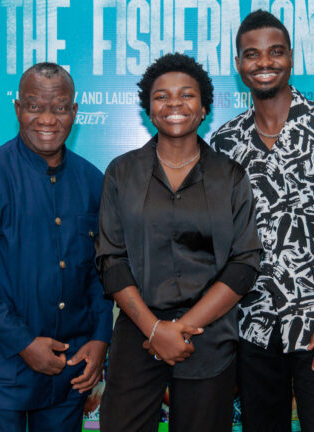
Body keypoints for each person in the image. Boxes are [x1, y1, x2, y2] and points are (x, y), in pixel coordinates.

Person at [211, 10, 314, 432]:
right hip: (251, 323)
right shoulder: (225, 142)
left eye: (275, 52)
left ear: (291, 57)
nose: (264, 62)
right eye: (252, 54)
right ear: (238, 64)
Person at [97, 53, 261, 432]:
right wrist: (156, 330)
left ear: (204, 108)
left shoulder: (230, 176)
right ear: (148, 110)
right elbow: (111, 260)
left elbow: (244, 263)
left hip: (209, 335)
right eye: (162, 96)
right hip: (138, 332)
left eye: (187, 95)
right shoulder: (122, 172)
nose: (174, 104)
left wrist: (182, 327)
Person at [0, 62, 113, 432]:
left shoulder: (92, 181)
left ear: (74, 111)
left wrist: (101, 338)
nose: (48, 119)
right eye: (35, 106)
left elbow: (102, 270)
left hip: (70, 366)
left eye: (60, 107)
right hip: (2, 362)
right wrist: (24, 343)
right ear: (18, 108)